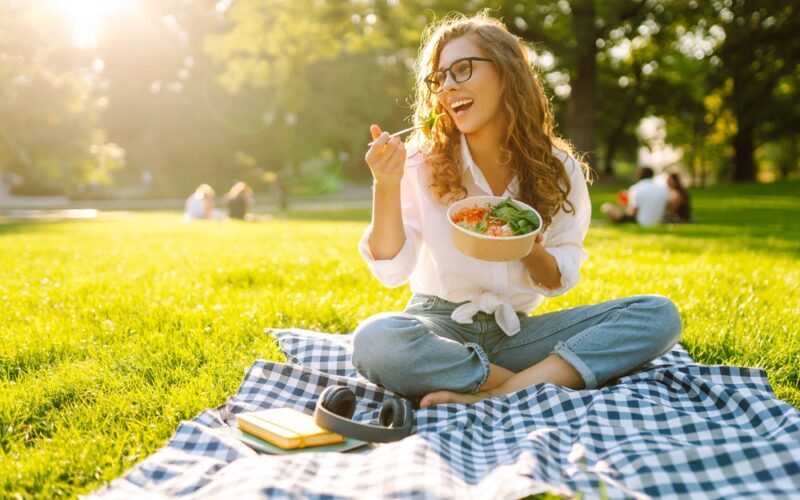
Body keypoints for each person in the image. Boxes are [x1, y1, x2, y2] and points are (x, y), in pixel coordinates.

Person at [352, 12, 681, 409]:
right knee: (376, 341)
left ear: (507, 72)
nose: (448, 86)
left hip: (517, 335)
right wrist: (385, 185)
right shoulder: (420, 162)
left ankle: (502, 392)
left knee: (659, 315)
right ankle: (528, 384)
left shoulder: (559, 169)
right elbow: (391, 271)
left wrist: (527, 246)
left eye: (462, 69)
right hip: (440, 329)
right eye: (439, 79)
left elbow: (557, 280)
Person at [601, 167, 670, 227]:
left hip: (639, 221)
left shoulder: (636, 188)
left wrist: (623, 204)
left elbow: (632, 212)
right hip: (658, 221)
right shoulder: (663, 189)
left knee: (606, 207)